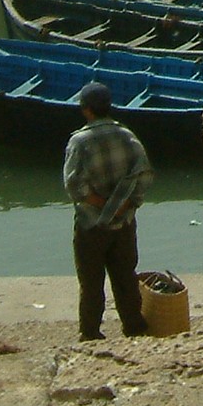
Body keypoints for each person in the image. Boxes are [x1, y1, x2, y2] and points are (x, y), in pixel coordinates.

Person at [64, 81, 154, 341]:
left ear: (86, 109)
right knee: (126, 277)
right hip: (124, 222)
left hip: (91, 225)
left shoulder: (79, 141)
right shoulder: (127, 136)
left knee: (91, 283)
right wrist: (124, 204)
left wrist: (102, 204)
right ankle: (134, 328)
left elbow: (73, 185)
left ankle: (90, 333)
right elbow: (144, 175)